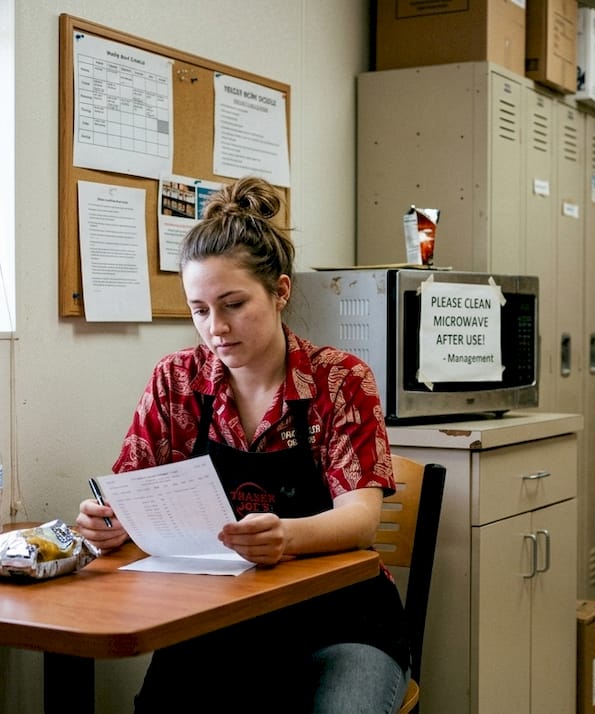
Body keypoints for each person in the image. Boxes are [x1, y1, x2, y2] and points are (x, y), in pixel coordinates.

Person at [76, 176, 409, 714]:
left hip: (342, 621)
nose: (216, 328)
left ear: (280, 291)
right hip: (218, 619)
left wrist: (287, 536)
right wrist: (108, 523)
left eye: (233, 304)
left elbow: (361, 519)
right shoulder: (176, 381)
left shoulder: (339, 380)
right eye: (199, 309)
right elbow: (131, 494)